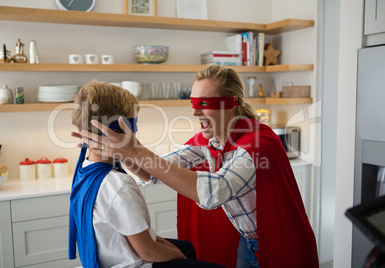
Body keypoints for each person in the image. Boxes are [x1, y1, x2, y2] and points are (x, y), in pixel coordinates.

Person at [75, 66, 319, 268]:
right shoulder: (208, 140)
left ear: (231, 103)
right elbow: (152, 170)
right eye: (193, 102)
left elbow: (213, 192)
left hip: (280, 242)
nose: (194, 111)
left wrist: (134, 151)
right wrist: (124, 148)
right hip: (247, 243)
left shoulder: (257, 143)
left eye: (204, 102)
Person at [68, 80, 226, 268]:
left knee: (186, 247)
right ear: (119, 129)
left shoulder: (84, 171)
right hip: (136, 263)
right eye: (133, 122)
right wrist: (180, 257)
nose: (136, 130)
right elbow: (147, 251)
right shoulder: (119, 184)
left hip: (113, 254)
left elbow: (137, 233)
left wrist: (175, 250)